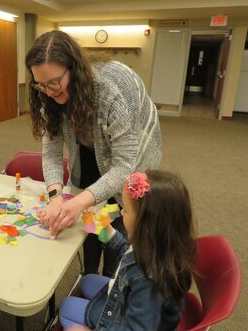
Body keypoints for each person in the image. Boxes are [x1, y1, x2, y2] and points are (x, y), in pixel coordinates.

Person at [25, 29, 162, 276]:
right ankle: (88, 274)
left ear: (74, 69)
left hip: (132, 156)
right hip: (89, 151)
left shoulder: (113, 89)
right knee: (87, 223)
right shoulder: (48, 92)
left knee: (117, 228)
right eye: (41, 85)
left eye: (55, 82)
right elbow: (52, 154)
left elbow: (123, 167)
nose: (49, 91)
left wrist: (76, 202)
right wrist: (58, 198)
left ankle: (110, 280)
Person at [59, 170, 196, 330]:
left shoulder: (148, 281)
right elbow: (128, 254)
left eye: (126, 210)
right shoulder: (158, 244)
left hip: (121, 321)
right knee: (87, 280)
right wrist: (107, 231)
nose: (122, 211)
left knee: (66, 307)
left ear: (146, 223)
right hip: (124, 298)